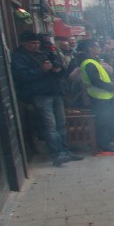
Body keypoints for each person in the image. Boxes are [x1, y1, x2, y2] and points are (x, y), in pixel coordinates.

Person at [11, 30, 79, 166]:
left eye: (37, 43)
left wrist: (57, 69)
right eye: (32, 43)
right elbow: (21, 77)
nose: (35, 46)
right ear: (24, 43)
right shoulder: (19, 57)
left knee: (61, 123)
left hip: (54, 91)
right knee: (50, 125)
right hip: (40, 94)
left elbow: (61, 69)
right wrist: (41, 69)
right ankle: (57, 153)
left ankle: (65, 150)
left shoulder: (42, 53)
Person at [77, 39, 114, 152]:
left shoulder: (94, 61)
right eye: (97, 46)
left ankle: (105, 142)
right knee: (102, 121)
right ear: (90, 48)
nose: (99, 49)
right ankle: (102, 144)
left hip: (104, 96)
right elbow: (96, 81)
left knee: (105, 120)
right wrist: (111, 87)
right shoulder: (89, 63)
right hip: (98, 96)